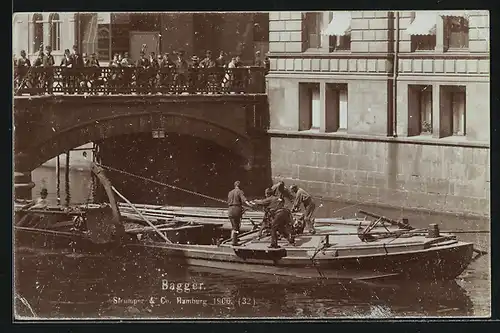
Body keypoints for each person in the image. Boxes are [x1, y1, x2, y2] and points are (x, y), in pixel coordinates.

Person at [227, 180, 252, 246]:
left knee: (233, 225)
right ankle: (234, 242)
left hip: (230, 210)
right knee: (236, 226)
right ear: (240, 186)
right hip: (236, 210)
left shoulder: (230, 192)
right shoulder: (240, 191)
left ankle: (233, 238)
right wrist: (250, 205)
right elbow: (244, 199)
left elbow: (228, 201)